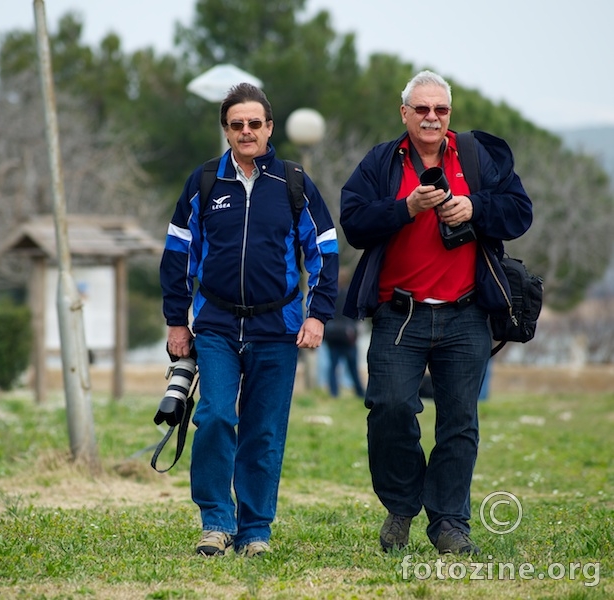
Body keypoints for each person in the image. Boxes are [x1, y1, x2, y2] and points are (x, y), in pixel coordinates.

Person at [339, 70, 532, 555]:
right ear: (404, 113)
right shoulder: (380, 162)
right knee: (389, 408)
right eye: (421, 109)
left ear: (450, 114)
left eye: (440, 110)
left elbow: (519, 212)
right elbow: (354, 223)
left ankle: (449, 523)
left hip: (466, 313)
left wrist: (473, 207)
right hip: (399, 313)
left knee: (459, 421)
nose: (431, 117)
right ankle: (402, 507)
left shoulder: (477, 156)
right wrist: (405, 208)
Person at [160, 83, 339, 558]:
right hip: (215, 324)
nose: (246, 131)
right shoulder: (203, 183)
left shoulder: (294, 183)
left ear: (269, 128)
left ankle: (255, 530)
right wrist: (177, 321)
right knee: (216, 416)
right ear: (226, 129)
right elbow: (177, 254)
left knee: (263, 430)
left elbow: (324, 250)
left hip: (277, 328)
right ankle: (216, 523)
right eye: (236, 124)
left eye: (254, 124)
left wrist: (318, 314)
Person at [322, 267, 365, 398]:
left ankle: (334, 393)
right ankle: (359, 392)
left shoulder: (330, 295)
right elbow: (356, 315)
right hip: (347, 337)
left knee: (333, 367)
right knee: (352, 367)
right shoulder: (350, 294)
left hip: (333, 336)